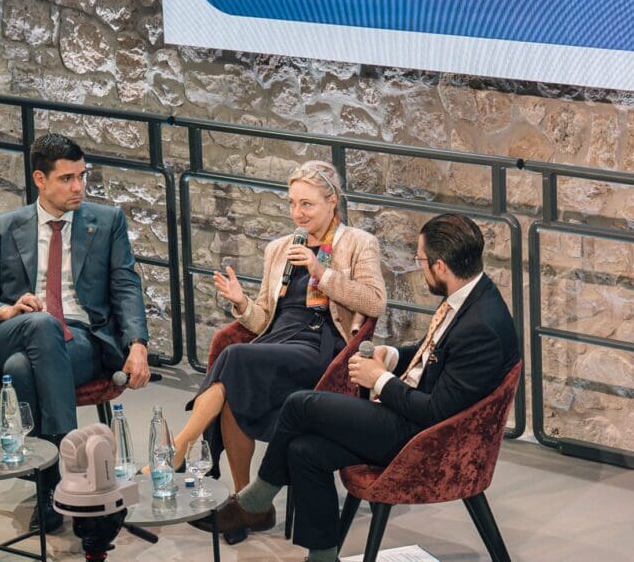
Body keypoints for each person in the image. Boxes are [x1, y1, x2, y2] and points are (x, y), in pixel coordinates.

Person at [211, 213, 521, 562]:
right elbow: (433, 351)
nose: (419, 269)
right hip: (412, 416)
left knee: (301, 404)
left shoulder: (481, 328)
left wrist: (379, 380)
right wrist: (392, 356)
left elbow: (437, 412)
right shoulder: (471, 294)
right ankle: (323, 556)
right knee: (303, 451)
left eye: (420, 261)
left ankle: (256, 498)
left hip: (426, 440)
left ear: (440, 266)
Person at [164, 160, 386, 533]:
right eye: (292, 204)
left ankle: (182, 444)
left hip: (321, 347)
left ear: (332, 202)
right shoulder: (279, 247)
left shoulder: (358, 243)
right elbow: (264, 319)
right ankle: (245, 502)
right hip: (277, 341)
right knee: (235, 383)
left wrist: (321, 272)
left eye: (306, 204)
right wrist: (241, 302)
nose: (296, 213)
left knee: (234, 359)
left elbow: (375, 302)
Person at [0, 133, 150, 534]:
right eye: (66, 178)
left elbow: (126, 285)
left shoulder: (107, 221)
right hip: (17, 326)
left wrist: (138, 345)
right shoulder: (3, 227)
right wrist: (6, 309)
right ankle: (75, 467)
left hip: (82, 339)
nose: (78, 187)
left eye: (82, 176)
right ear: (39, 180)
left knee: (19, 369)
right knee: (40, 325)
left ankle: (48, 485)